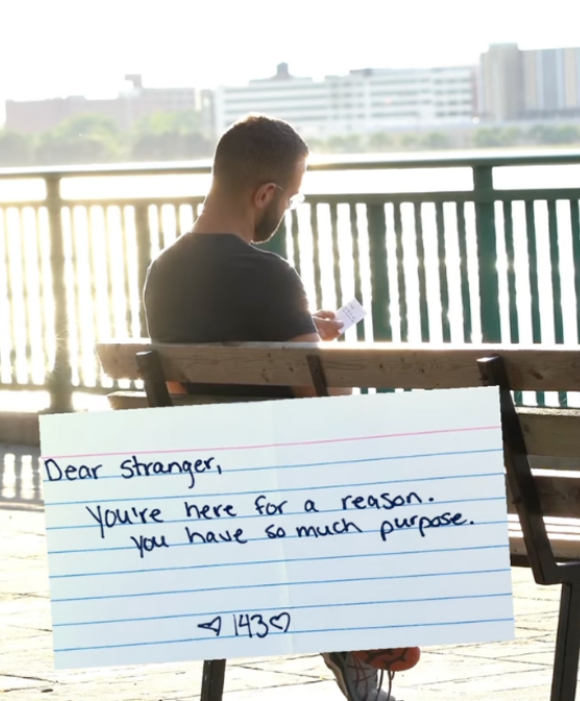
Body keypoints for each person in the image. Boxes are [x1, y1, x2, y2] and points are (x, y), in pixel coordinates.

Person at [142, 114, 412, 701]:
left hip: (207, 490)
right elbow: (329, 403)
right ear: (263, 193)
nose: (287, 207)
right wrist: (310, 346)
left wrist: (294, 334)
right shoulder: (270, 273)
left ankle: (350, 631)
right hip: (287, 494)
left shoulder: (161, 272)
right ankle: (359, 634)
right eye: (290, 196)